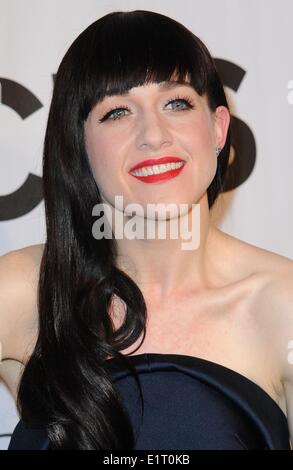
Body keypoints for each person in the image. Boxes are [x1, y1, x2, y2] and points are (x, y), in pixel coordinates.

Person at [1, 9, 292, 450]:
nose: (153, 135)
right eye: (117, 111)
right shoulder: (22, 292)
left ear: (218, 128)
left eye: (177, 103)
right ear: (77, 144)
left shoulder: (282, 305)